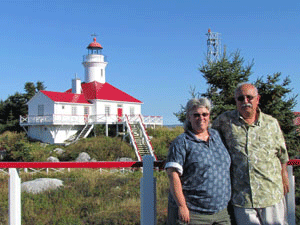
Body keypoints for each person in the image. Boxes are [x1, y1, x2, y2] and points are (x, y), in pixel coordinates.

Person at [212, 83, 289, 225]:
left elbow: (282, 154)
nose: (245, 101)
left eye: (249, 97)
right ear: (236, 101)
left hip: (270, 193)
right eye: (240, 98)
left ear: (257, 99)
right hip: (242, 197)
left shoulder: (271, 123)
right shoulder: (224, 121)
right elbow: (205, 134)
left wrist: (284, 174)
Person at [165, 98, 232, 225]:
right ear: (189, 117)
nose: (201, 118)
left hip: (221, 212)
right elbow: (173, 175)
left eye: (204, 114)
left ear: (209, 116)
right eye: (196, 115)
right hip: (193, 214)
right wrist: (182, 206)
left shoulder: (217, 136)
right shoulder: (182, 142)